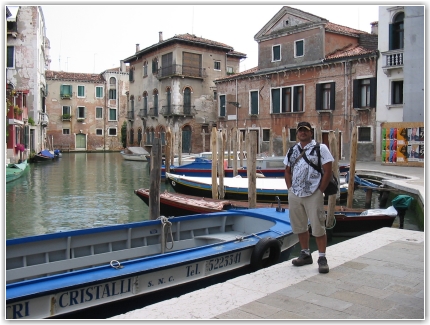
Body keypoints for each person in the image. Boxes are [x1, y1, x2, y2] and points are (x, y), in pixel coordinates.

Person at [284, 121, 334, 274]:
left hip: (314, 193)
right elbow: (287, 170)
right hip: (295, 193)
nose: (302, 133)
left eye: (305, 131)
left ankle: (322, 257)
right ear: (297, 133)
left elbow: (328, 171)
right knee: (300, 226)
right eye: (300, 131)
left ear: (311, 133)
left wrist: (320, 190)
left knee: (318, 225)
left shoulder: (321, 148)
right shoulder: (292, 150)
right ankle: (305, 253)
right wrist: (290, 188)